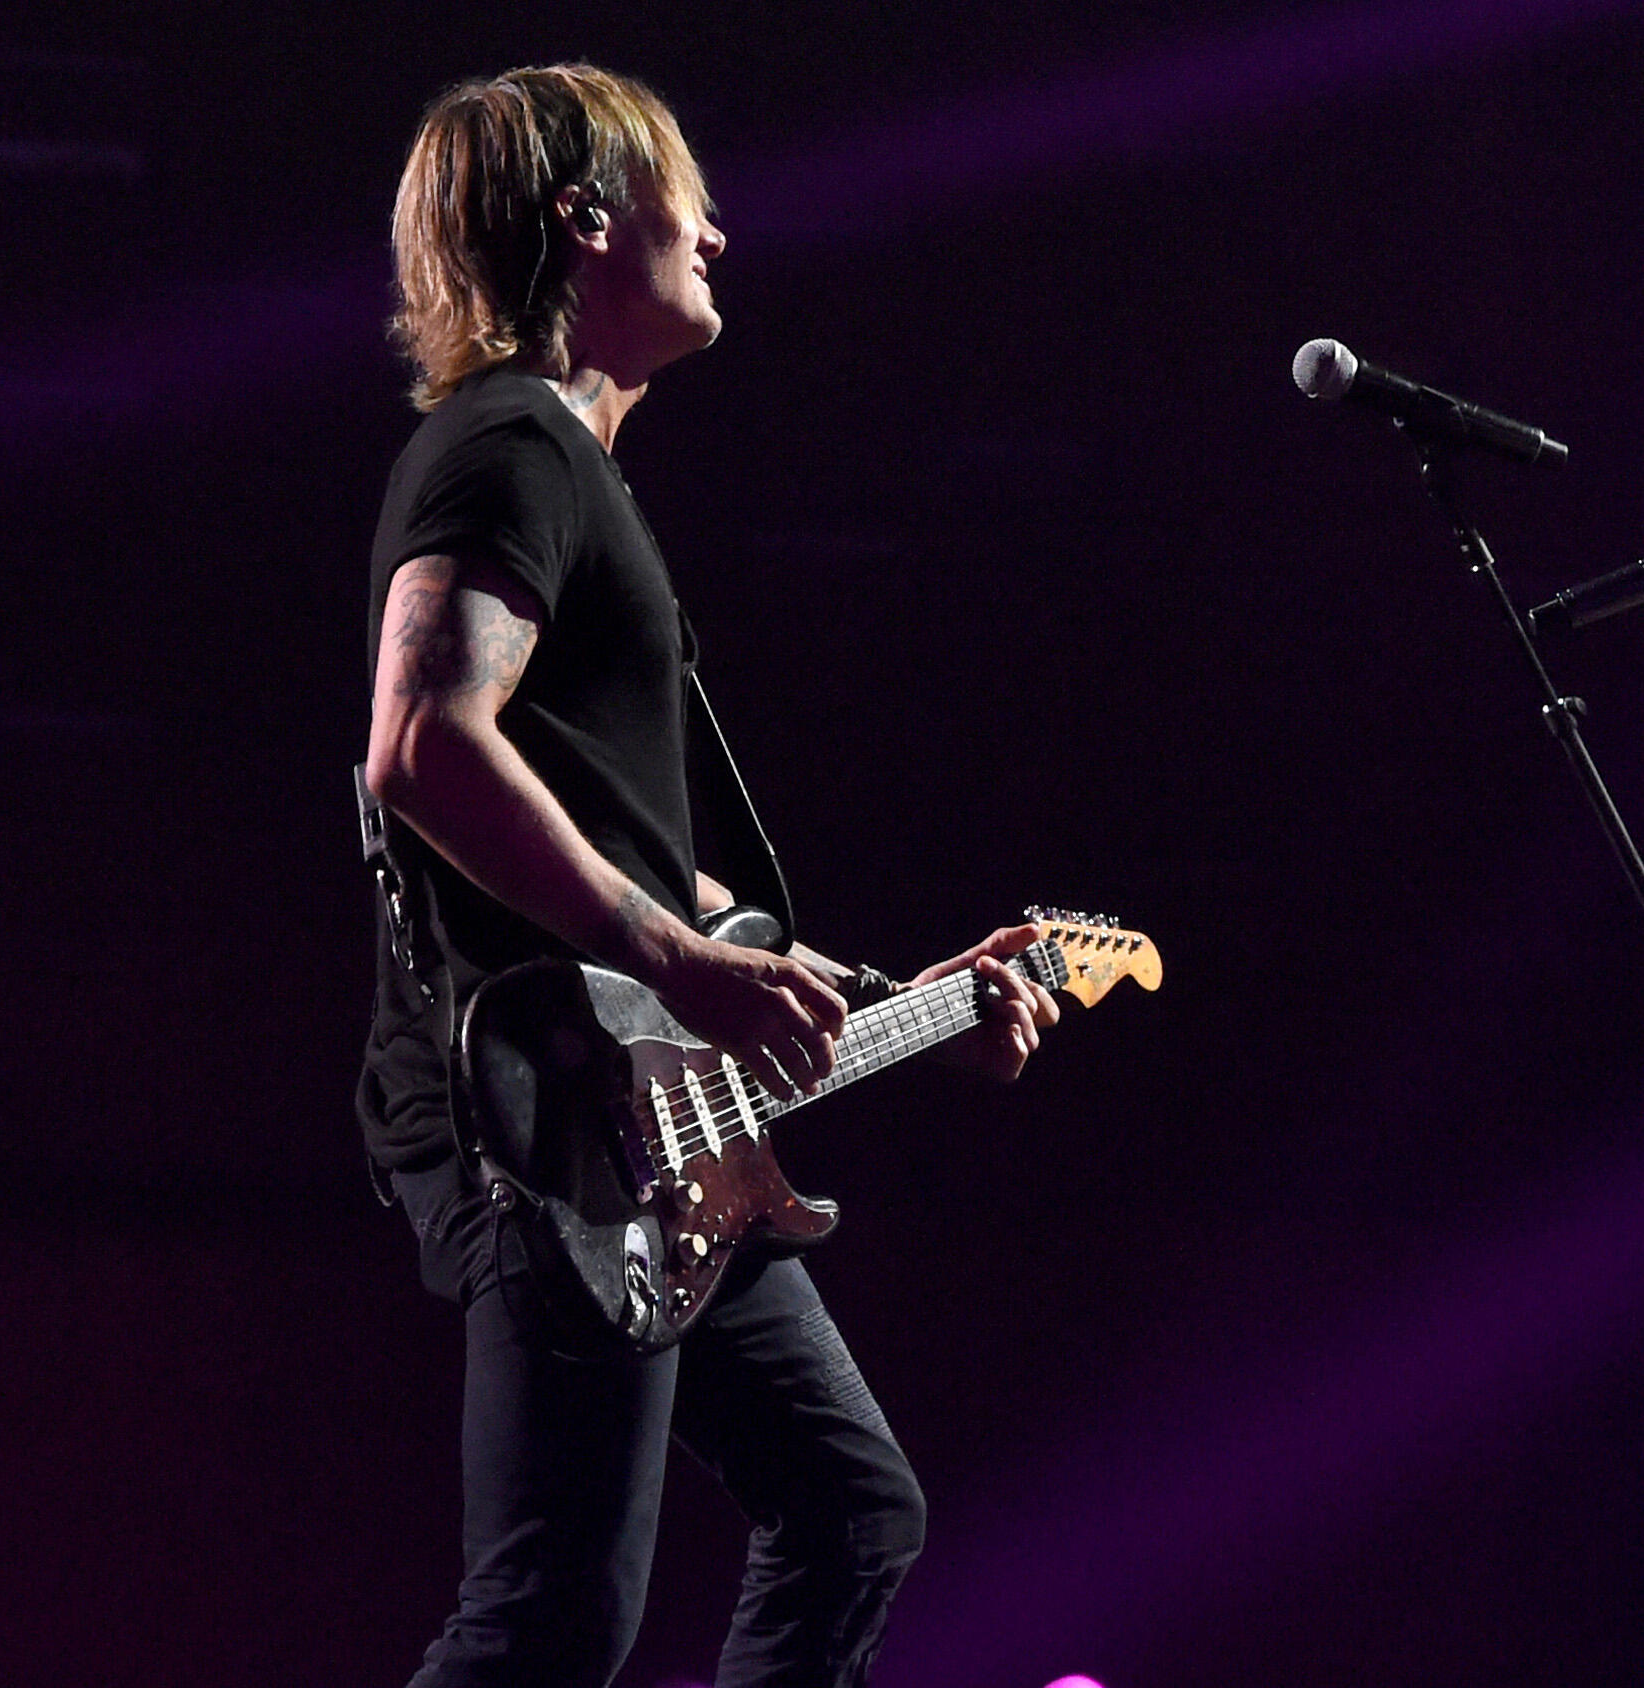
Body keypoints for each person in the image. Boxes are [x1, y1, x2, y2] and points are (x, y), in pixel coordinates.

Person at [354, 64, 1059, 1688]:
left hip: (647, 1114)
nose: (723, 236)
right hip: (544, 1115)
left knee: (851, 1511)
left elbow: (648, 871)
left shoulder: (568, 470)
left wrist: (911, 1001)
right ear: (586, 221)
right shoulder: (509, 446)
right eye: (688, 198)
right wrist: (678, 961)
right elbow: (421, 747)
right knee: (550, 1620)